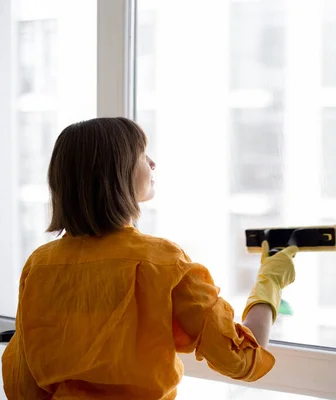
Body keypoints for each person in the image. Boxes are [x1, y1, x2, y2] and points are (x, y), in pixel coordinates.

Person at [1, 117, 298, 399]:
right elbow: (242, 357)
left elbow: (22, 384)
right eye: (143, 155)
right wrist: (270, 280)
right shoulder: (164, 263)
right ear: (117, 173)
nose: (153, 163)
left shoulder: (40, 265)